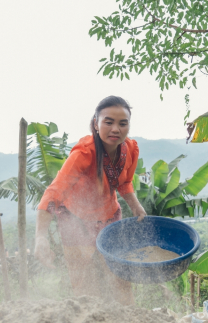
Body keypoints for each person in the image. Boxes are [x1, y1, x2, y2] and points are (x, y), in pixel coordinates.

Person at [34, 96, 147, 305]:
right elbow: (54, 192)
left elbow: (124, 182)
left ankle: (131, 319)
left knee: (120, 275)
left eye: (123, 123)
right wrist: (41, 236)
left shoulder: (130, 149)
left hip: (109, 216)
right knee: (83, 281)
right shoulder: (84, 153)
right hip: (74, 219)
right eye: (108, 122)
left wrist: (135, 205)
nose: (116, 129)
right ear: (96, 123)